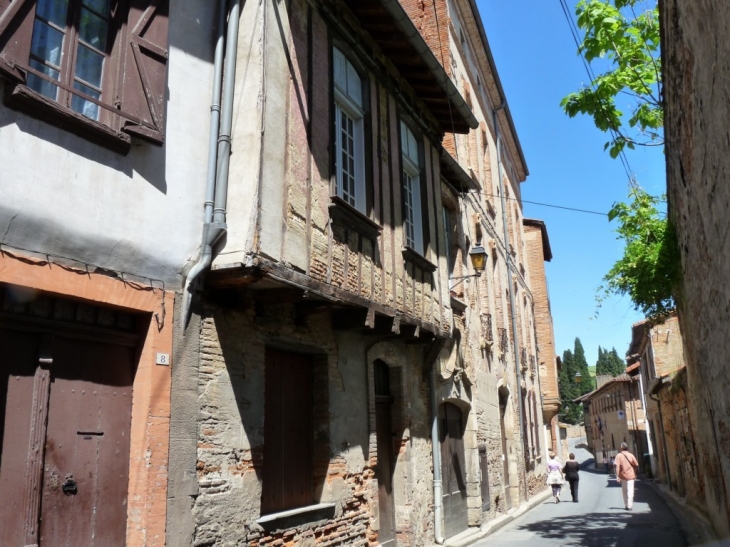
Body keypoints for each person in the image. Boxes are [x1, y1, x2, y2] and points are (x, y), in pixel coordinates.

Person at [615, 442, 639, 510]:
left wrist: (617, 476)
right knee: (630, 490)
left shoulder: (618, 456)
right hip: (631, 475)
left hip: (622, 476)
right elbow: (636, 464)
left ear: (621, 448)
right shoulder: (631, 455)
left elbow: (617, 467)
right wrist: (635, 473)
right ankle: (629, 505)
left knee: (624, 491)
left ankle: (626, 504)